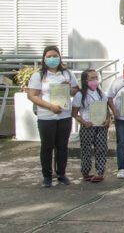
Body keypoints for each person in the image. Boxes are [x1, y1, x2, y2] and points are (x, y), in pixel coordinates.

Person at [26, 45, 79, 187]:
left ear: (60, 57)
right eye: (49, 56)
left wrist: (69, 87)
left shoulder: (67, 74)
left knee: (62, 146)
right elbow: (32, 95)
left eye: (55, 56)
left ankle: (61, 174)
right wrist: (50, 106)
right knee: (47, 147)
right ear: (44, 59)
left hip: (64, 116)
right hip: (46, 116)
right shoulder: (39, 75)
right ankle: (47, 176)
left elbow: (76, 91)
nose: (52, 59)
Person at [72, 69, 110, 183]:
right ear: (85, 80)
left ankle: (100, 172)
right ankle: (86, 172)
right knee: (86, 150)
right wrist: (84, 122)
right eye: (91, 78)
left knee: (101, 149)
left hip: (101, 126)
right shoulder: (80, 95)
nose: (95, 81)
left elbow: (106, 110)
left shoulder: (101, 93)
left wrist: (108, 120)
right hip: (88, 126)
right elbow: (74, 114)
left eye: (96, 78)